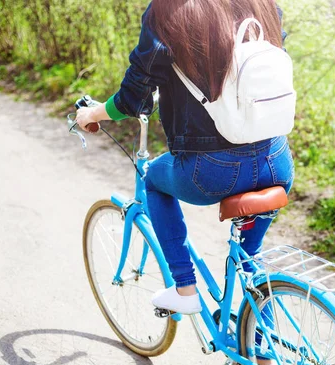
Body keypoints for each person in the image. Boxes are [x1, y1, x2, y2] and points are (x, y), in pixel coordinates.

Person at [74, 0, 293, 316]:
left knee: (154, 179)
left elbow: (133, 96)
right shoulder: (260, 2)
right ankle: (261, 346)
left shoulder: (168, 10)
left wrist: (92, 113)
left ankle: (184, 288)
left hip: (213, 170)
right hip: (277, 159)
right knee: (251, 264)